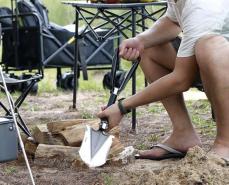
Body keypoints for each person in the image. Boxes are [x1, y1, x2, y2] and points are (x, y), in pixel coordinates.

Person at [98, 0, 229, 160]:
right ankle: (183, 134)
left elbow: (181, 79)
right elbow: (173, 21)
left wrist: (122, 106)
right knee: (149, 47)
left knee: (209, 46)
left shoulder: (202, 7)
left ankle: (226, 142)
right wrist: (140, 40)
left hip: (221, 61)